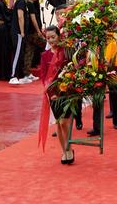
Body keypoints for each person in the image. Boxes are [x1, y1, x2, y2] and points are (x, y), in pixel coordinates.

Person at [38, 26, 74, 164]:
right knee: (59, 123)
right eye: (48, 38)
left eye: (53, 37)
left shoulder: (67, 52)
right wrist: (51, 93)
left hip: (67, 91)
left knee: (65, 121)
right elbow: (44, 77)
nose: (51, 40)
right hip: (53, 94)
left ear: (59, 36)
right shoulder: (45, 56)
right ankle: (64, 150)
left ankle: (69, 147)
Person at [9, 0, 39, 85]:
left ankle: (20, 75)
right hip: (18, 32)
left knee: (21, 54)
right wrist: (21, 31)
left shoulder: (26, 3)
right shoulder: (21, 2)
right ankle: (13, 76)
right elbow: (20, 17)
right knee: (17, 54)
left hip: (22, 33)